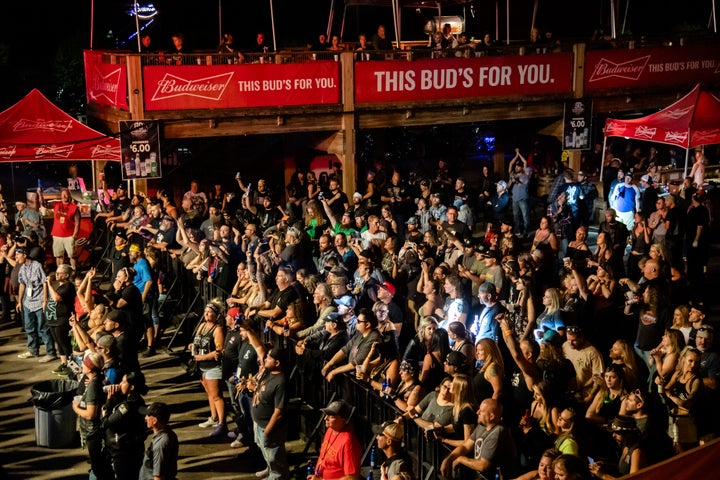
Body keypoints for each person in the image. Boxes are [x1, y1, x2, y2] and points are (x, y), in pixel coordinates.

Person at [439, 398, 516, 479]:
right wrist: (449, 458)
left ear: (491, 416)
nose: (477, 412)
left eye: (481, 411)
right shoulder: (482, 426)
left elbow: (483, 465)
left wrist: (460, 459)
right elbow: (466, 446)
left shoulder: (498, 432)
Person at [250, 346, 290, 479]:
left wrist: (267, 431)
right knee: (265, 452)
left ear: (277, 363)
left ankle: (276, 476)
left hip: (269, 427)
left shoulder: (281, 382)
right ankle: (269, 469)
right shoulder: (268, 372)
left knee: (275, 456)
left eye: (268, 358)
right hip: (259, 423)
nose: (265, 359)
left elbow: (278, 412)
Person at [102, 371, 149, 480]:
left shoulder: (127, 407)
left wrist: (108, 402)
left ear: (131, 387)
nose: (119, 384)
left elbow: (106, 422)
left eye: (123, 382)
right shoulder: (137, 400)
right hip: (132, 448)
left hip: (123, 451)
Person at [73, 352, 112, 479]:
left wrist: (76, 408)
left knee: (98, 466)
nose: (82, 365)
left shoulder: (93, 387)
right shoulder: (96, 380)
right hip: (95, 431)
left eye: (84, 363)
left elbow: (90, 415)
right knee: (99, 463)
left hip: (92, 432)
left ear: (89, 368)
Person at [192, 301, 227, 438]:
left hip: (212, 366)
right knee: (209, 394)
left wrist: (203, 357)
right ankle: (213, 417)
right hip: (201, 367)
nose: (206, 314)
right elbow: (197, 341)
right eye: (205, 311)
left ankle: (222, 423)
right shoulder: (201, 326)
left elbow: (219, 351)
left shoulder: (217, 329)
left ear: (216, 315)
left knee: (217, 395)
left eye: (209, 312)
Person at [16, 247, 56, 362]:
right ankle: (33, 350)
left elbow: (44, 283)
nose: (16, 257)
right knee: (29, 327)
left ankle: (50, 352)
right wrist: (19, 301)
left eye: (18, 255)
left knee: (43, 328)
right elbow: (22, 284)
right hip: (28, 302)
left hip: (39, 302)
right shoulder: (22, 268)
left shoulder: (37, 266)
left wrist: (44, 301)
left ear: (24, 255)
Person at [309, 400, 362, 480]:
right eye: (326, 414)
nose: (325, 418)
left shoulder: (348, 441)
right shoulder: (330, 430)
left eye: (331, 416)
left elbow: (352, 477)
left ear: (342, 420)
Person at [44, 264, 75, 375]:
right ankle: (64, 363)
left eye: (59, 273)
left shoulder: (68, 286)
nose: (56, 275)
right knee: (59, 343)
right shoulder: (59, 285)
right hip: (53, 319)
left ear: (66, 275)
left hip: (62, 320)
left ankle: (71, 365)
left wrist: (49, 284)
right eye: (56, 272)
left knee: (65, 343)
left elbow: (57, 298)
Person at [139, 402, 179, 480]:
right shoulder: (169, 433)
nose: (145, 418)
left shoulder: (160, 444)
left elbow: (159, 477)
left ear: (154, 420)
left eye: (148, 416)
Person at [51, 187, 81, 269]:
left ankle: (73, 272)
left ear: (69, 196)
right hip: (57, 235)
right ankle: (60, 271)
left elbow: (77, 222)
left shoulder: (74, 207)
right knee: (59, 255)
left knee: (72, 256)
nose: (64, 196)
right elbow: (43, 204)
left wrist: (74, 235)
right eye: (63, 194)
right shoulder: (57, 205)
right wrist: (39, 195)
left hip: (69, 236)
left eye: (66, 195)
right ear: (60, 196)